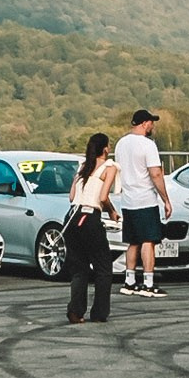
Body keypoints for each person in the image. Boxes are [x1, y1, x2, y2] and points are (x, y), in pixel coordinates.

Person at [113, 109, 173, 297]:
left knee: (133, 241)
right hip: (145, 198)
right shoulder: (148, 145)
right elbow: (155, 173)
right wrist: (166, 199)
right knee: (148, 241)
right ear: (145, 123)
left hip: (128, 199)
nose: (152, 126)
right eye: (151, 123)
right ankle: (148, 282)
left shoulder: (121, 144)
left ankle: (129, 280)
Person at [62, 132, 117, 325]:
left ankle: (76, 311)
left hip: (71, 217)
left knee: (79, 268)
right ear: (105, 149)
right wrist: (112, 212)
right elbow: (103, 197)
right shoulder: (109, 167)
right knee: (103, 266)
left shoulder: (82, 167)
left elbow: (71, 196)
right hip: (90, 217)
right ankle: (99, 312)